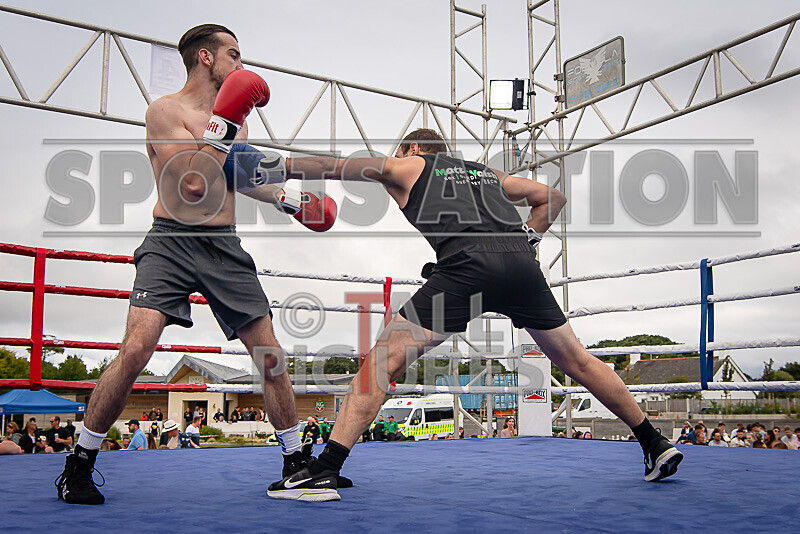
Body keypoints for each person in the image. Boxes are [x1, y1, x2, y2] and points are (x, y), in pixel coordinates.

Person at [267, 129, 683, 501]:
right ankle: (654, 442)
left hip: (466, 266)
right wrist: (528, 239)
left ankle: (325, 469)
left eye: (400, 152)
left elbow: (337, 166)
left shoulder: (412, 165)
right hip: (520, 266)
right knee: (578, 361)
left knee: (381, 364)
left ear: (414, 149)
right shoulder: (486, 174)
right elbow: (551, 197)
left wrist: (273, 166)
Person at [55, 23, 335, 506]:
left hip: (223, 244)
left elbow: (237, 176)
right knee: (136, 348)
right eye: (234, 54)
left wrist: (289, 200)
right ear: (206, 57)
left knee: (269, 353)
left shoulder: (235, 121)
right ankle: (78, 463)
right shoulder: (165, 112)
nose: (241, 64)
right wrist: (224, 124)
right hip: (171, 241)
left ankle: (295, 464)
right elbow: (191, 183)